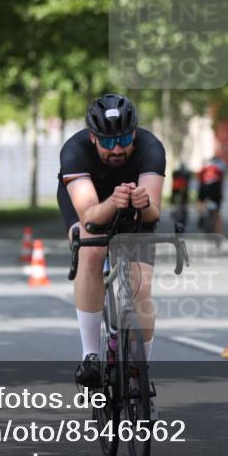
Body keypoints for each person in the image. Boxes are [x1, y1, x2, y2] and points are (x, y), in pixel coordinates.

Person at [57, 93, 165, 393]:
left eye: (124, 140)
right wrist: (114, 202)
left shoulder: (151, 148)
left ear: (134, 135)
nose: (116, 148)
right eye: (107, 142)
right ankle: (90, 355)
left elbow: (154, 213)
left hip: (133, 211)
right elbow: (90, 216)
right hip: (90, 205)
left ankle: (139, 374)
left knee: (142, 285)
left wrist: (143, 203)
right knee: (91, 249)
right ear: (93, 139)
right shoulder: (74, 151)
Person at [197, 154, 227, 234]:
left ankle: (201, 216)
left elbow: (199, 179)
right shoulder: (220, 168)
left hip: (204, 189)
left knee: (200, 202)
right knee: (217, 213)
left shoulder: (204, 168)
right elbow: (222, 182)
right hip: (216, 190)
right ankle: (219, 232)